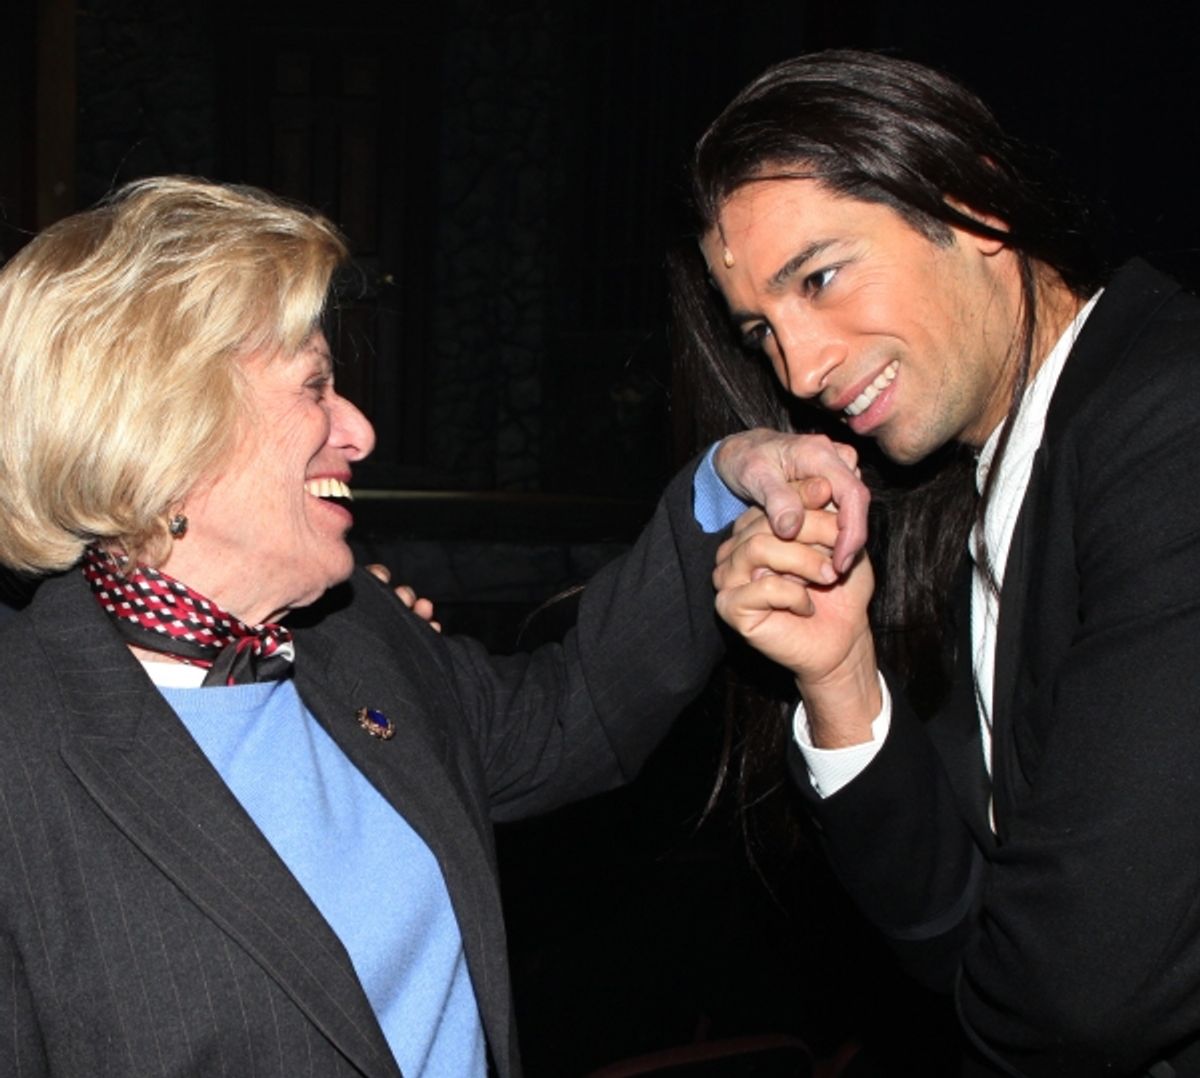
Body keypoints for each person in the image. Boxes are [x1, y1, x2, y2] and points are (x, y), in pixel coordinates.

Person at [0, 175, 866, 1077]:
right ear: (166, 429)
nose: (361, 431)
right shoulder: (23, 747)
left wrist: (730, 478)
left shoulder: (350, 631)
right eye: (316, 386)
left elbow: (568, 716)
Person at [678, 49, 1200, 1077]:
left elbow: (1081, 995)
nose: (800, 370)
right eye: (761, 332)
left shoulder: (1167, 423)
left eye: (821, 277)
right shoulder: (996, 485)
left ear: (972, 203)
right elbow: (962, 930)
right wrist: (838, 677)